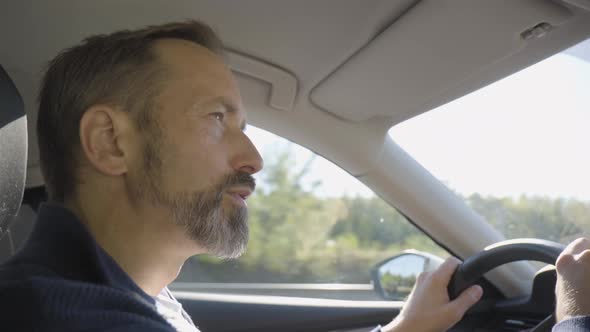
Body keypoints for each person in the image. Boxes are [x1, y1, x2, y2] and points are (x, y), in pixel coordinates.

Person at [0, 20, 587, 332]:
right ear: (110, 142)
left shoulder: (126, 296)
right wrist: (576, 318)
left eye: (245, 124)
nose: (253, 158)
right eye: (217, 119)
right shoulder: (68, 317)